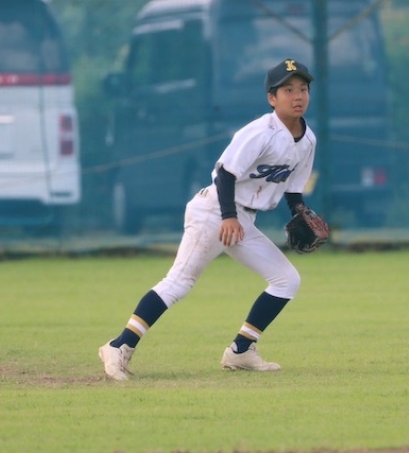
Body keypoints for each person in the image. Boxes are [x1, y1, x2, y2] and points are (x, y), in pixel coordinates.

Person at [99, 58, 317, 381]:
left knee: (287, 280)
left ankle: (241, 350)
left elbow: (293, 188)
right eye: (288, 90)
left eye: (303, 89)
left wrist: (301, 212)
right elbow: (226, 174)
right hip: (214, 211)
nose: (297, 95)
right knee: (179, 282)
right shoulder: (260, 132)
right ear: (272, 98)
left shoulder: (307, 140)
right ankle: (118, 346)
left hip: (242, 219)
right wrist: (228, 217)